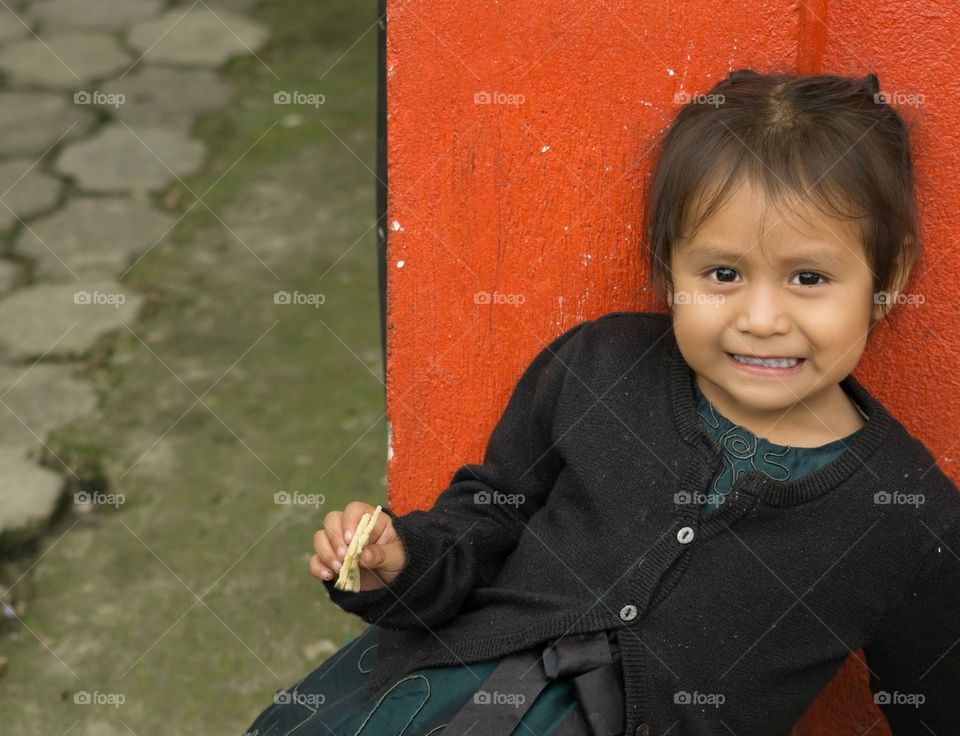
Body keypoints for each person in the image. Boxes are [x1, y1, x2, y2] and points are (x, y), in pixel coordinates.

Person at [242, 69, 960, 736]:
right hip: (432, 706)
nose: (762, 317)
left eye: (808, 277)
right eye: (722, 272)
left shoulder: (908, 516)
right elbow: (487, 518)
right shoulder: (602, 366)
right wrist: (405, 563)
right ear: (664, 266)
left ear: (886, 278)